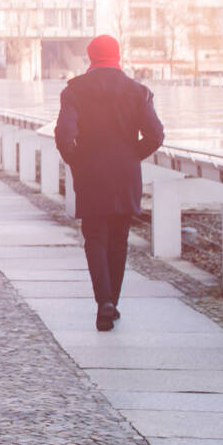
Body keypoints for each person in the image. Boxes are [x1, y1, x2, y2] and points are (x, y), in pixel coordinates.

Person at [55, 35, 165, 332]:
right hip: (125, 176)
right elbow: (156, 136)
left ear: (90, 57)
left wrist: (78, 160)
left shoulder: (75, 91)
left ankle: (103, 302)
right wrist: (131, 156)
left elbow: (64, 135)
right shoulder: (138, 92)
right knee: (119, 239)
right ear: (117, 56)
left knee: (95, 239)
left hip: (90, 174)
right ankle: (111, 303)